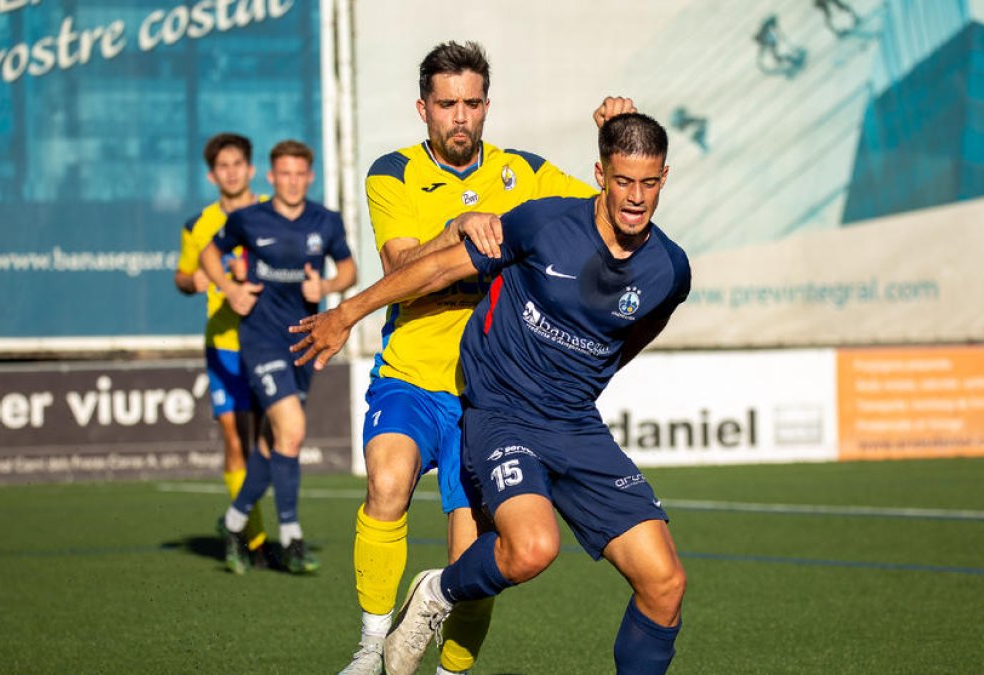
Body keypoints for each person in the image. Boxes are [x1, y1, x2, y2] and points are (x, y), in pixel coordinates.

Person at [292, 113, 690, 675]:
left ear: (665, 178)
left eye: (648, 183)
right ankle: (435, 594)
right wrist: (348, 312)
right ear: (600, 174)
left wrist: (585, 379)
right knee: (532, 549)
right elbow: (433, 271)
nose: (635, 197)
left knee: (665, 583)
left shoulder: (669, 269)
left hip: (575, 423)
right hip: (502, 413)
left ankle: (438, 595)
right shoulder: (544, 223)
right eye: (624, 181)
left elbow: (635, 334)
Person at [336, 39, 634, 675]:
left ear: (487, 105)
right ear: (424, 109)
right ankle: (369, 646)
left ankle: (451, 670)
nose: (461, 116)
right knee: (386, 483)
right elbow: (399, 265)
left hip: (489, 399)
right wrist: (456, 230)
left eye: (472, 103)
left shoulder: (524, 171)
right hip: (412, 375)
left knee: (473, 554)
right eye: (448, 104)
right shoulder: (392, 173)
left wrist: (613, 143)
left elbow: (609, 216)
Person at [200, 139, 357, 575]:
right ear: (271, 177)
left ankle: (233, 523)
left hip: (305, 341)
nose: (291, 181)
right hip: (261, 340)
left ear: (310, 176)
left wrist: (324, 289)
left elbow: (349, 270)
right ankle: (290, 536)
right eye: (283, 173)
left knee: (275, 443)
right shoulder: (249, 218)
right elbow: (209, 252)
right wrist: (230, 289)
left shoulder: (325, 221)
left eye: (299, 174)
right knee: (292, 429)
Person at [173, 132, 273, 567]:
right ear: (212, 175)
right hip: (224, 345)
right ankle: (253, 540)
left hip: (269, 341)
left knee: (269, 445)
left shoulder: (276, 212)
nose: (231, 172)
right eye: (222, 166)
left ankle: (247, 528)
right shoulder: (199, 225)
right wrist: (192, 281)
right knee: (236, 442)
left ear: (250, 170)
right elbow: (181, 276)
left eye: (238, 164)